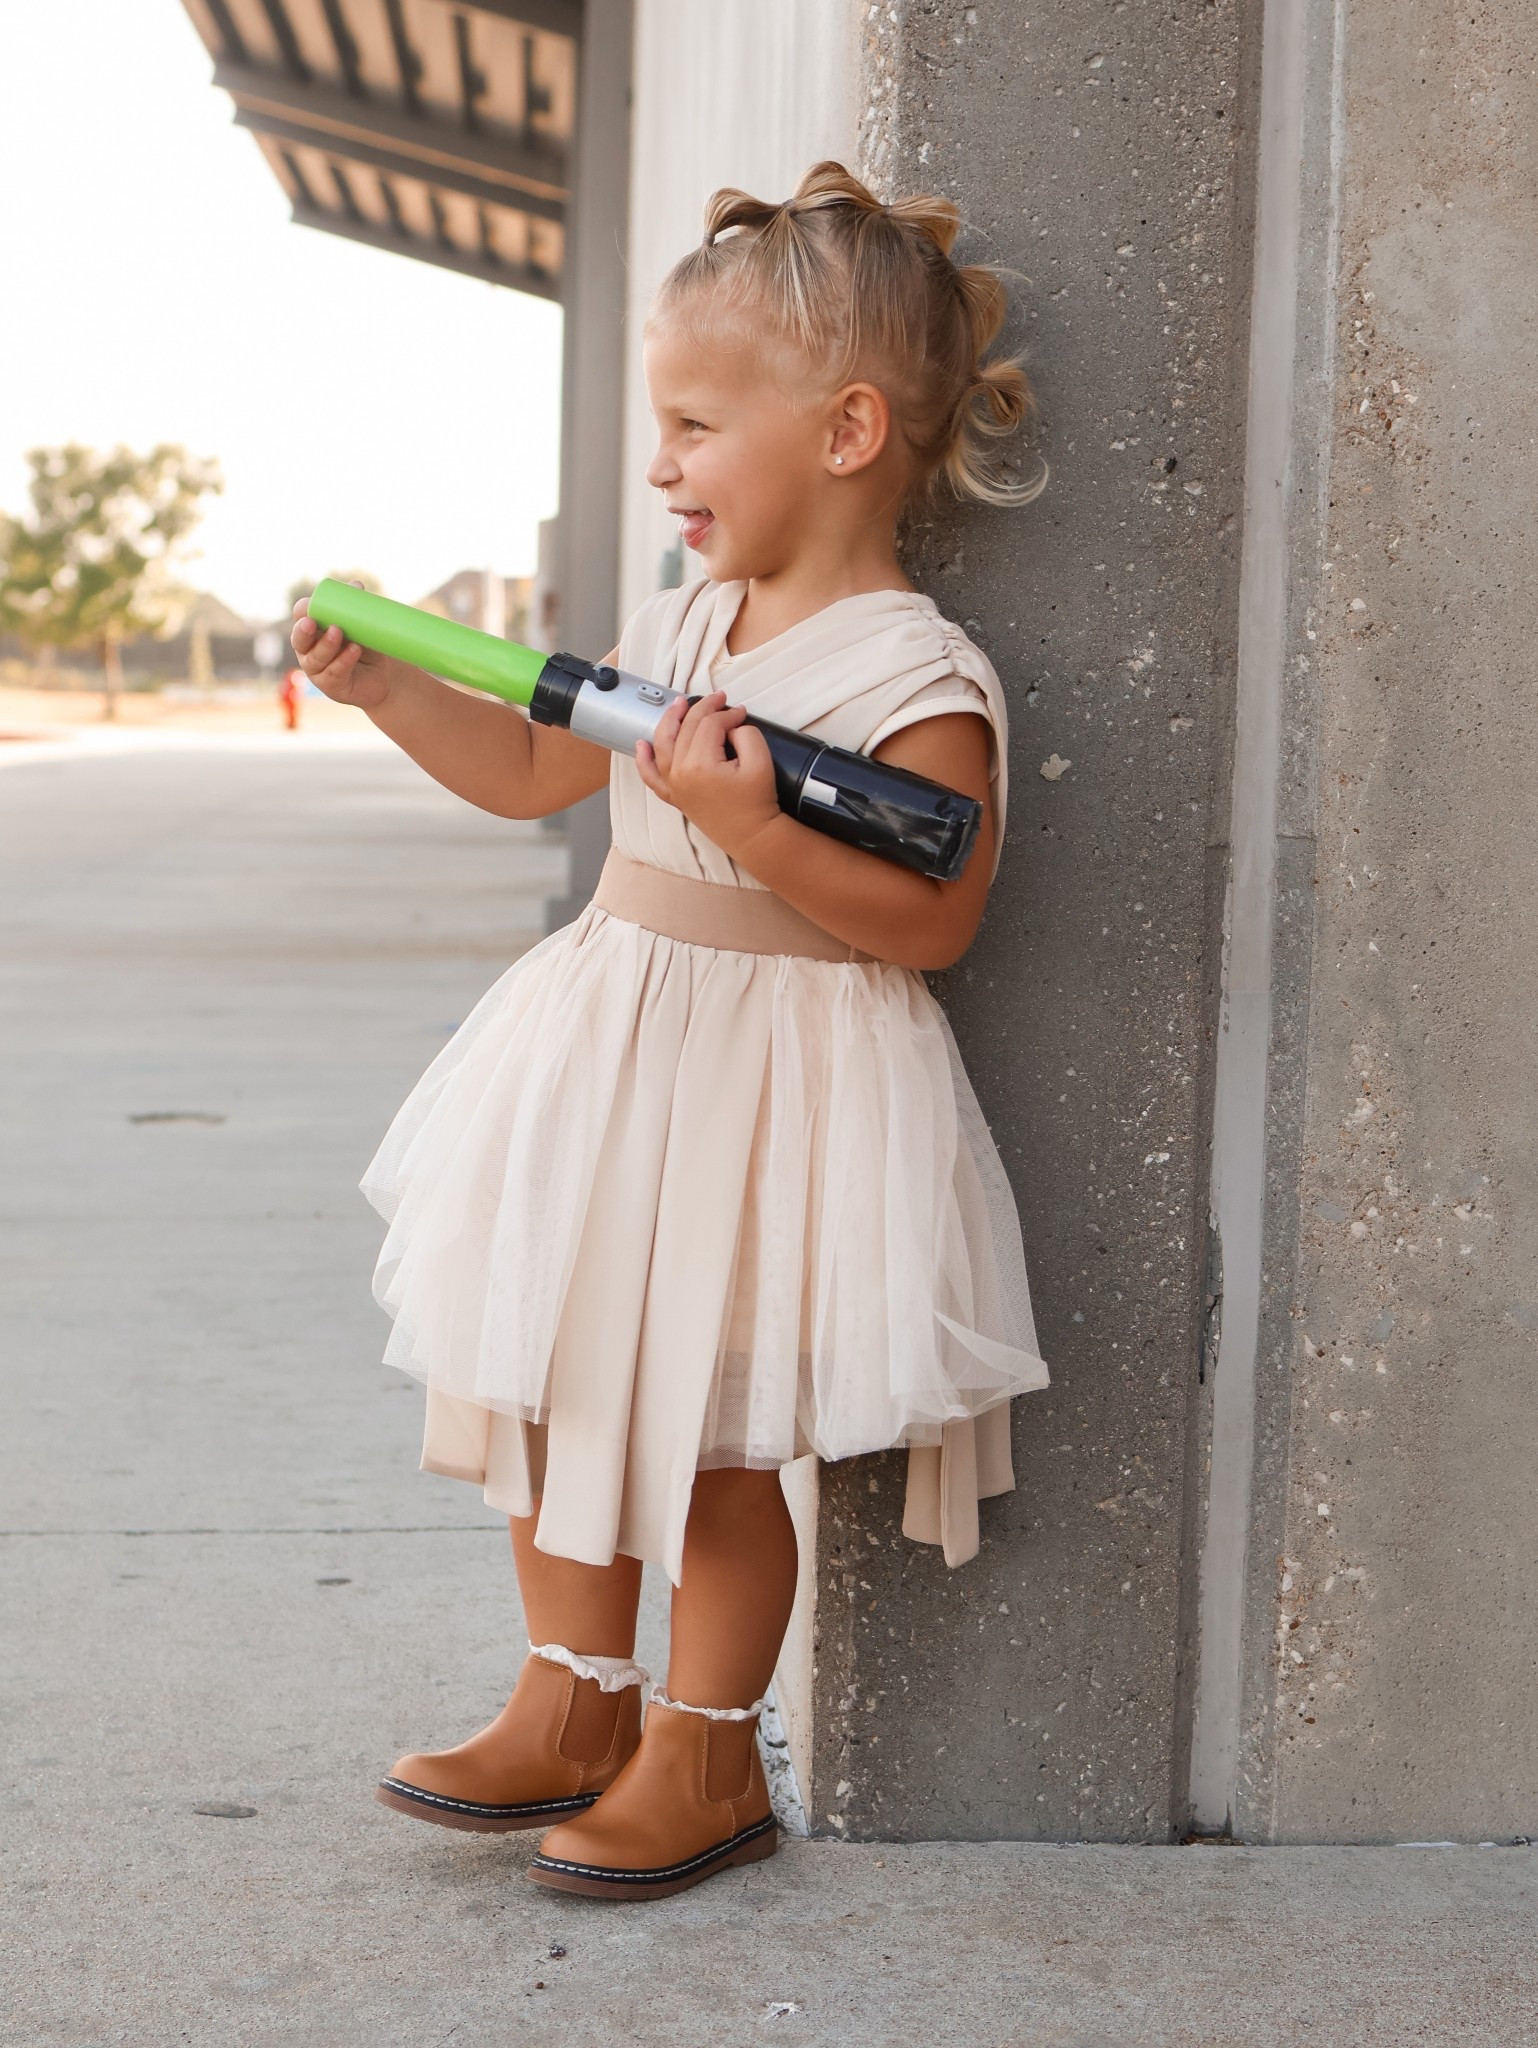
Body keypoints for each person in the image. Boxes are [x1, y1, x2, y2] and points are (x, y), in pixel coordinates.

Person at [289, 161, 1050, 1902]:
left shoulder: (912, 678)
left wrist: (769, 824)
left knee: (701, 1436)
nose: (662, 467)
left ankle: (703, 1753)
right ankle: (569, 1703)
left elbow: (934, 919)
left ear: (846, 429)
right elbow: (529, 771)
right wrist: (397, 686)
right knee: (543, 1376)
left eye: (697, 428)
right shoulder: (679, 625)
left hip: (761, 1084)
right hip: (607, 1042)